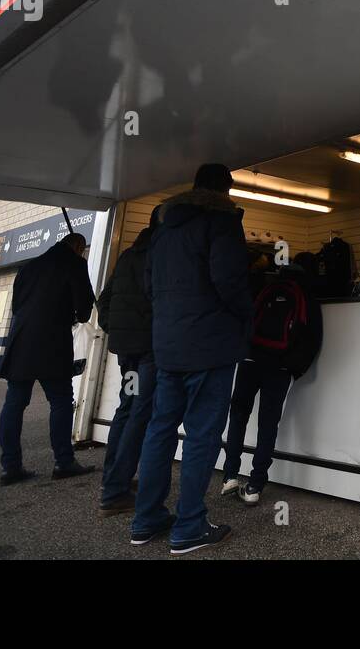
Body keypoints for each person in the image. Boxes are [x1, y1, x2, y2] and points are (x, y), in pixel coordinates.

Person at [130, 163, 253, 555]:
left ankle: (145, 520)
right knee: (201, 435)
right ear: (225, 188)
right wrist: (244, 317)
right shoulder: (222, 219)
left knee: (160, 430)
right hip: (211, 346)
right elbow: (229, 279)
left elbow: (148, 285)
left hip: (167, 347)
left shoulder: (164, 227)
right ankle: (188, 528)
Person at [0, 232, 96, 485]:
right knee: (61, 401)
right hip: (52, 342)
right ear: (78, 248)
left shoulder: (29, 266)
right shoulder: (75, 264)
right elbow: (84, 310)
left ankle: (11, 467)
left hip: (20, 341)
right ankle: (63, 462)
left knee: (14, 403)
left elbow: (16, 306)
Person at [220, 262, 322, 506]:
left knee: (238, 415)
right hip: (279, 367)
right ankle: (255, 485)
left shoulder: (264, 289)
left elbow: (243, 320)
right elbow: (313, 338)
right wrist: (293, 368)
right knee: (268, 425)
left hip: (249, 360)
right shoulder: (307, 297)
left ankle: (230, 475)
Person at [97, 208, 159, 515]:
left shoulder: (127, 257)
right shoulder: (158, 257)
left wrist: (115, 329)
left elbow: (104, 300)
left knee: (127, 407)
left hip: (127, 351)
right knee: (139, 414)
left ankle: (112, 479)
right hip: (148, 349)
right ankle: (115, 490)